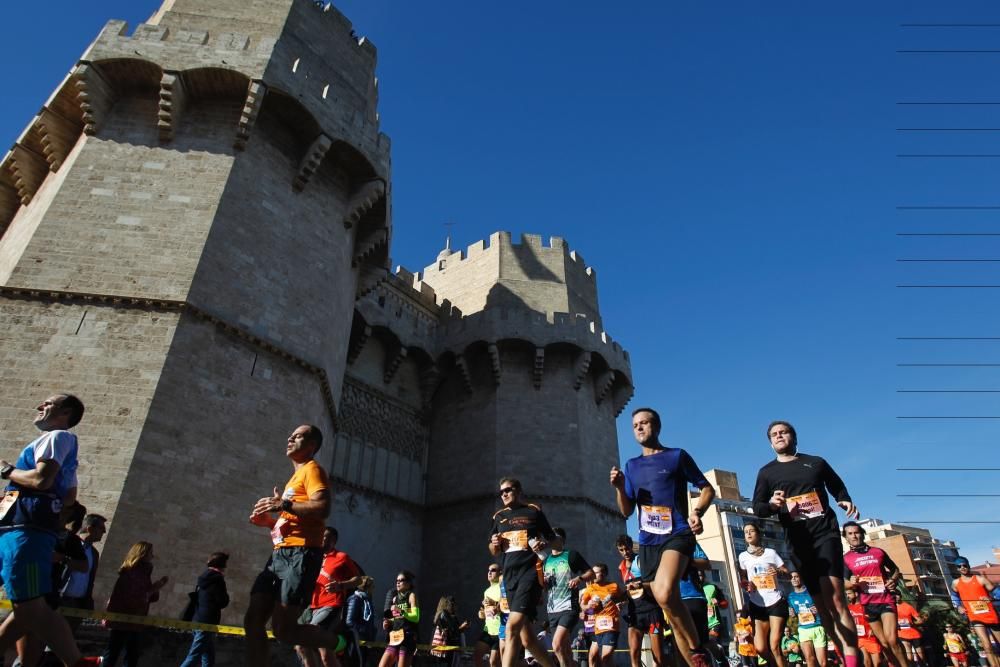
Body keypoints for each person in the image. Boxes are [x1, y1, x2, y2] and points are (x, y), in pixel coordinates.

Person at [609, 407, 716, 667]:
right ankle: (696, 662)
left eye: (645, 423)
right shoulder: (631, 466)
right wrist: (620, 488)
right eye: (635, 425)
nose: (640, 428)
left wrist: (698, 512)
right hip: (647, 541)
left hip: (677, 532)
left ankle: (698, 648)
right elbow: (626, 510)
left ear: (656, 427)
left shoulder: (676, 456)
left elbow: (707, 489)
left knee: (666, 593)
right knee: (668, 607)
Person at [0, 394, 100, 667]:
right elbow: (69, 497)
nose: (39, 406)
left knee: (31, 606)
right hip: (15, 528)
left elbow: (42, 480)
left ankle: (77, 662)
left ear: (64, 413)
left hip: (26, 530)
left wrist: (7, 470)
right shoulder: (63, 445)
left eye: (47, 404)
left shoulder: (57, 437)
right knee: (28, 605)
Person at [751, 421, 860, 667]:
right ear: (770, 442)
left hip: (825, 533)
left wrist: (844, 500)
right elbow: (757, 508)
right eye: (774, 434)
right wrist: (772, 505)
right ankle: (844, 654)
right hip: (798, 542)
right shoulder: (766, 473)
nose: (779, 436)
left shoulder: (815, 462)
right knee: (822, 607)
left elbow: (837, 485)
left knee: (835, 598)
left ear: (794, 437)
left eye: (783, 432)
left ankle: (853, 659)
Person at [244, 424, 341, 667]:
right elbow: (291, 522)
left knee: (283, 630)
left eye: (297, 436)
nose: (290, 438)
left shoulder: (313, 470)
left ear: (311, 446)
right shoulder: (294, 478)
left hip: (302, 554)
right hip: (279, 555)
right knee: (253, 621)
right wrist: (269, 523)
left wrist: (283, 505)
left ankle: (339, 642)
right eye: (290, 435)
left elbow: (322, 508)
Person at [489, 477, 557, 667]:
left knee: (511, 627)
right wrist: (494, 545)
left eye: (508, 490)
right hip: (509, 577)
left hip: (530, 573)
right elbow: (494, 551)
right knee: (527, 639)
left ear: (518, 490)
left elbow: (554, 540)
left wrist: (545, 543)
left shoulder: (533, 511)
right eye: (501, 492)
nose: (504, 494)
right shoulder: (498, 517)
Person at [842, 522, 908, 667]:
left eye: (857, 532)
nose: (854, 536)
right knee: (884, 643)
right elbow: (844, 582)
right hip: (867, 604)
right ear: (846, 537)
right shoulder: (846, 559)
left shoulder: (878, 552)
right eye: (850, 534)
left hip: (885, 600)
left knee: (892, 640)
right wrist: (852, 582)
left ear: (862, 533)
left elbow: (895, 569)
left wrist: (893, 580)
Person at [297, 526, 364, 667]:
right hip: (311, 605)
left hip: (330, 604)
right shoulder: (314, 557)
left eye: (324, 536)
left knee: (311, 633)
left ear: (333, 540)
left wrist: (340, 585)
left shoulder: (342, 557)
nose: (320, 538)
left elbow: (358, 579)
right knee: (303, 645)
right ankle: (340, 642)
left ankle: (343, 641)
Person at [101, 541, 169, 667]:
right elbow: (132, 598)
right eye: (150, 553)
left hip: (135, 620)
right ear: (142, 554)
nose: (152, 556)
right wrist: (153, 590)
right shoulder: (132, 573)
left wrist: (156, 588)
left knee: (130, 654)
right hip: (124, 619)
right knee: (114, 653)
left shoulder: (143, 573)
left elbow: (147, 596)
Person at [738, 522, 790, 667]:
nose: (748, 534)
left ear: (758, 534)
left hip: (775, 601)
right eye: (745, 532)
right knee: (760, 648)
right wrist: (745, 584)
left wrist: (778, 572)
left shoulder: (771, 553)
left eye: (751, 531)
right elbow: (743, 577)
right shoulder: (742, 557)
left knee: (774, 645)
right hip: (757, 603)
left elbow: (788, 574)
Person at [544, 527, 593, 667]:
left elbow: (591, 573)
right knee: (565, 649)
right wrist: (544, 584)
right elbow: (544, 587)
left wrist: (579, 578)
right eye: (549, 536)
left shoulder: (571, 555)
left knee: (557, 645)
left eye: (554, 536)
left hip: (569, 606)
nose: (551, 538)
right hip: (552, 609)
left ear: (562, 539)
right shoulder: (546, 561)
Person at [617, 534, 666, 667]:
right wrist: (620, 600)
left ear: (631, 547)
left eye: (627, 549)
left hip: (652, 611)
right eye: (621, 550)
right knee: (634, 653)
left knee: (657, 655)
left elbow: (655, 582)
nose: (625, 552)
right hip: (635, 614)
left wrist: (640, 585)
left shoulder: (640, 561)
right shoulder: (621, 567)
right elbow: (629, 591)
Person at [179, 551, 230, 667]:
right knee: (194, 656)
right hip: (207, 622)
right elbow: (222, 601)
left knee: (208, 657)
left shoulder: (204, 577)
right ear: (223, 565)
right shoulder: (218, 579)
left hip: (198, 620)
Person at [61, 513, 107, 631]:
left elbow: (90, 579)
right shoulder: (68, 545)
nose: (104, 532)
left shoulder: (94, 553)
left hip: (79, 603)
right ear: (90, 528)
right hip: (61, 599)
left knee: (68, 636)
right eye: (102, 529)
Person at [952, 557, 1000, 667]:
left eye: (964, 565)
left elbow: (997, 591)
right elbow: (954, 596)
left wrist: (991, 598)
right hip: (975, 617)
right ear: (957, 569)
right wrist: (958, 606)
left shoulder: (980, 579)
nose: (962, 568)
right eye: (959, 566)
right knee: (987, 646)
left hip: (990, 615)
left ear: (968, 565)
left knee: (998, 644)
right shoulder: (956, 583)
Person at [579, 564, 625, 667]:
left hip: (611, 626)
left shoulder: (614, 586)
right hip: (598, 628)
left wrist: (621, 604)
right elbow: (582, 605)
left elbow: (623, 598)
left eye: (596, 573)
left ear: (604, 574)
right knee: (600, 659)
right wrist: (587, 606)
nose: (593, 575)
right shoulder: (590, 588)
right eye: (593, 572)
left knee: (606, 656)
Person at [378, 570, 419, 667]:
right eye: (397, 580)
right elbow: (399, 619)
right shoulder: (395, 598)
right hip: (395, 636)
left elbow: (416, 617)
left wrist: (400, 610)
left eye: (401, 580)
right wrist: (389, 622)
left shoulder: (411, 596)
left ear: (409, 583)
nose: (398, 582)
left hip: (407, 638)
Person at [788, 571, 827, 667]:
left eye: (796, 576)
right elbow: (792, 613)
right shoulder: (790, 596)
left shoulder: (811, 592)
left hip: (817, 627)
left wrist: (818, 608)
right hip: (803, 629)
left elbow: (824, 606)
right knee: (809, 660)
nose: (794, 579)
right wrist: (791, 614)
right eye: (792, 577)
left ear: (801, 578)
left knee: (823, 663)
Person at [473, 565, 503, 667]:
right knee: (477, 655)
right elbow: (487, 610)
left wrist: (494, 604)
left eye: (493, 570)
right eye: (488, 570)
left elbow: (506, 606)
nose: (489, 572)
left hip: (499, 630)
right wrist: (482, 613)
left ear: (500, 573)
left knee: (493, 662)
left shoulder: (502, 587)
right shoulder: (486, 591)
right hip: (488, 630)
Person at [344, 575, 375, 667]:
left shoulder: (366, 600)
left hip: (364, 639)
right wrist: (364, 629)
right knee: (357, 662)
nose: (373, 589)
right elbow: (349, 621)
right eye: (372, 586)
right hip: (355, 639)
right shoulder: (355, 599)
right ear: (366, 587)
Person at [845, 589, 880, 667]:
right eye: (846, 594)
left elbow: (876, 618)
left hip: (871, 638)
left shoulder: (865, 606)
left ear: (856, 594)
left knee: (877, 663)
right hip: (858, 639)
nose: (847, 596)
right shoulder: (847, 608)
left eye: (849, 594)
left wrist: (873, 629)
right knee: (866, 662)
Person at [431, 595, 468, 665]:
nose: (455, 607)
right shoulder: (444, 615)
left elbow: (456, 631)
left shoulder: (453, 616)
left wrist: (463, 628)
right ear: (449, 605)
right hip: (445, 647)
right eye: (453, 605)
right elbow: (450, 631)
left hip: (452, 647)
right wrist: (461, 628)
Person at [894, 591, 924, 667]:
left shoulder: (908, 606)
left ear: (900, 596)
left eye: (897, 595)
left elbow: (920, 620)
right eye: (894, 596)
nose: (896, 597)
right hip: (902, 634)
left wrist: (912, 624)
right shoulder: (890, 608)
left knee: (921, 657)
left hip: (914, 634)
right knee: (909, 657)